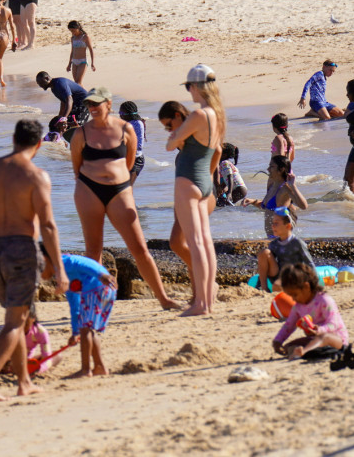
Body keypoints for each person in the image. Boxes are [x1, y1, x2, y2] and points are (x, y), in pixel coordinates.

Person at [0, 118, 68, 401]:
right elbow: (48, 225)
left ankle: (24, 382)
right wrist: (59, 268)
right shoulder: (36, 176)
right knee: (14, 322)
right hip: (21, 249)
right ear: (39, 144)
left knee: (18, 318)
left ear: (13, 139)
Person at [71, 87, 178, 309]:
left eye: (96, 103)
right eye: (89, 104)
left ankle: (164, 299)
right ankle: (94, 302)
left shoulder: (126, 129)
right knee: (93, 251)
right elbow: (77, 168)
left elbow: (130, 162)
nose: (92, 108)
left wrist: (117, 181)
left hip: (119, 190)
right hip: (88, 190)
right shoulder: (81, 133)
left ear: (109, 104)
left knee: (139, 248)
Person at [163, 64, 224, 316]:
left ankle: (201, 303)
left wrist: (176, 134)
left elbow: (170, 144)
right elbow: (217, 150)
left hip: (188, 180)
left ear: (197, 87)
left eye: (189, 86)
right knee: (205, 243)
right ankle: (206, 301)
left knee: (197, 244)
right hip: (205, 181)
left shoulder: (199, 115)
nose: (188, 91)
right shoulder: (217, 115)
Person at [44, 246, 116, 378]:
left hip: (98, 287)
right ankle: (99, 366)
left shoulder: (63, 262)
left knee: (86, 330)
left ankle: (85, 369)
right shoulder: (64, 277)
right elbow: (75, 305)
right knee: (87, 329)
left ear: (44, 260)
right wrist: (75, 331)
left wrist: (101, 275)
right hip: (103, 290)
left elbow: (83, 264)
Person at [272, 264, 348, 358]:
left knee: (324, 337)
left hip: (336, 339)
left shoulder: (324, 300)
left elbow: (334, 324)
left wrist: (319, 330)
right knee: (289, 345)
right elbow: (289, 325)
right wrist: (278, 340)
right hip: (314, 339)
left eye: (295, 295)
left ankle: (304, 352)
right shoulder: (298, 306)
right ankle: (301, 351)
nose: (293, 299)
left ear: (306, 287)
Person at [253, 209, 315, 292]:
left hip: (293, 275)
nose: (272, 226)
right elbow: (265, 266)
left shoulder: (297, 243)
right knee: (264, 253)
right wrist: (259, 283)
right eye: (272, 223)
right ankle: (263, 288)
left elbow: (309, 263)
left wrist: (313, 283)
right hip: (278, 276)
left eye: (276, 223)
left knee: (277, 286)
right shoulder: (274, 244)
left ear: (288, 226)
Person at [66, 21, 95, 85]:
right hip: (74, 62)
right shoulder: (73, 38)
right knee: (77, 84)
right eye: (71, 31)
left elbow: (91, 50)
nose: (72, 32)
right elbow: (72, 51)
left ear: (78, 28)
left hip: (82, 61)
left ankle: (83, 92)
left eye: (73, 30)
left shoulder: (85, 37)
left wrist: (92, 63)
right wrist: (69, 64)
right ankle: (83, 92)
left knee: (78, 82)